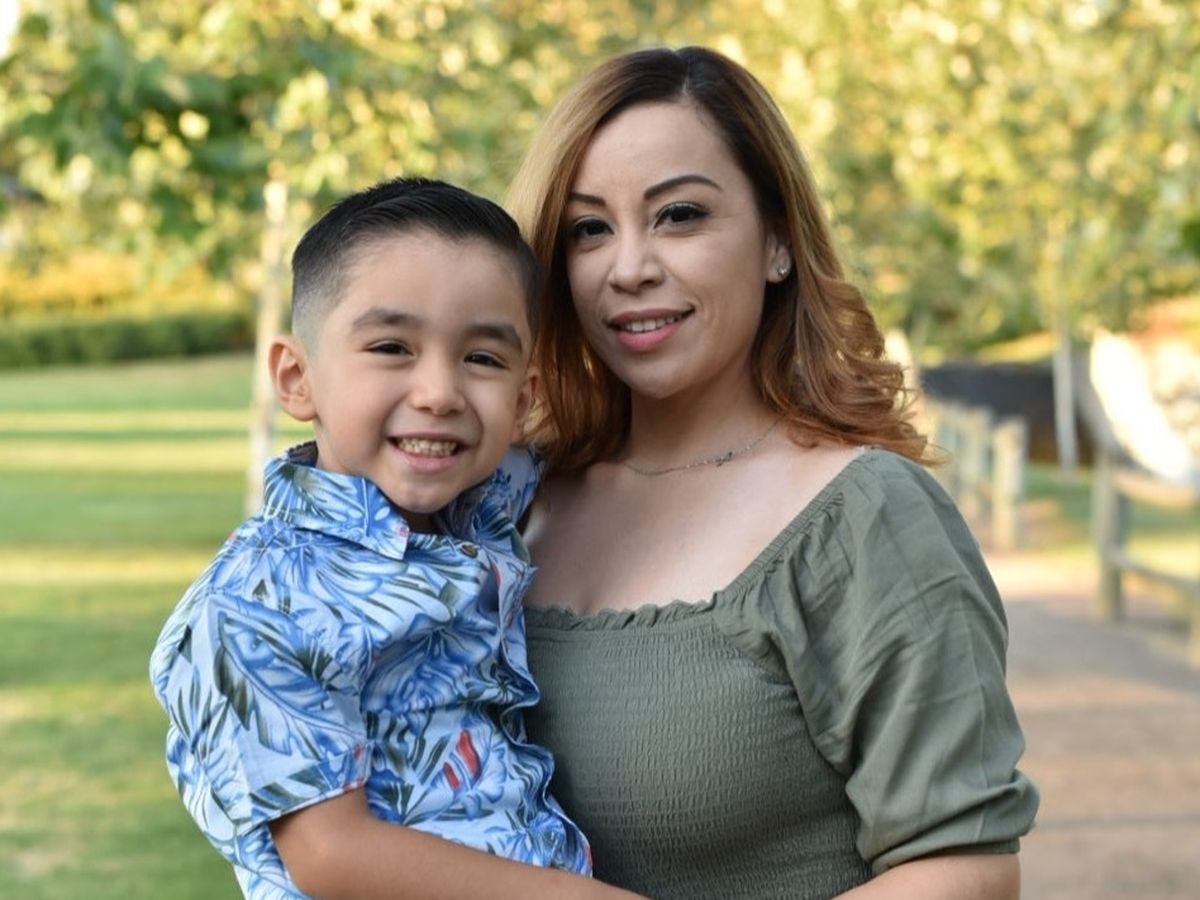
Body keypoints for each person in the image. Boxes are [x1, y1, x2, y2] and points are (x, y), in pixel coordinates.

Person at [505, 46, 1040, 899]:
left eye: (679, 215)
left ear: (778, 242)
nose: (629, 267)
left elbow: (966, 871)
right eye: (588, 229)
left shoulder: (864, 519)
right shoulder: (509, 503)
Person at [149, 178, 640, 900]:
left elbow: (613, 422)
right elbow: (330, 853)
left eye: (482, 358)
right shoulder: (255, 604)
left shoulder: (483, 500)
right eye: (391, 347)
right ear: (297, 378)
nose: (440, 392)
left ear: (523, 397)